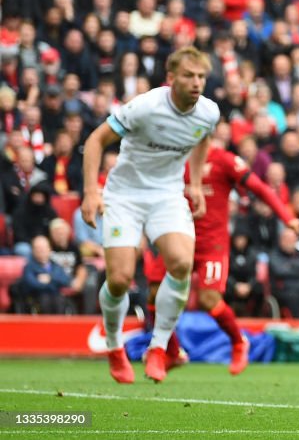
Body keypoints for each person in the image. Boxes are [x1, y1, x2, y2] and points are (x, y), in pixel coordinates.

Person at [81, 46, 220, 384]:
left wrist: (197, 183)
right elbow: (96, 140)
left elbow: (202, 140)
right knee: (119, 279)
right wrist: (90, 192)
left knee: (182, 263)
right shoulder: (145, 107)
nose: (196, 82)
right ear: (171, 78)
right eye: (189, 75)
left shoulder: (209, 112)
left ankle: (158, 349)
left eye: (201, 76)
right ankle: (114, 347)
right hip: (124, 195)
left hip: (166, 195)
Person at [144, 137, 299, 375]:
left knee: (209, 299)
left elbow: (259, 188)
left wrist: (287, 218)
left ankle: (239, 342)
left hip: (211, 245)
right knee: (155, 294)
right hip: (178, 238)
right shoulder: (175, 157)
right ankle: (173, 352)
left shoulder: (224, 160)